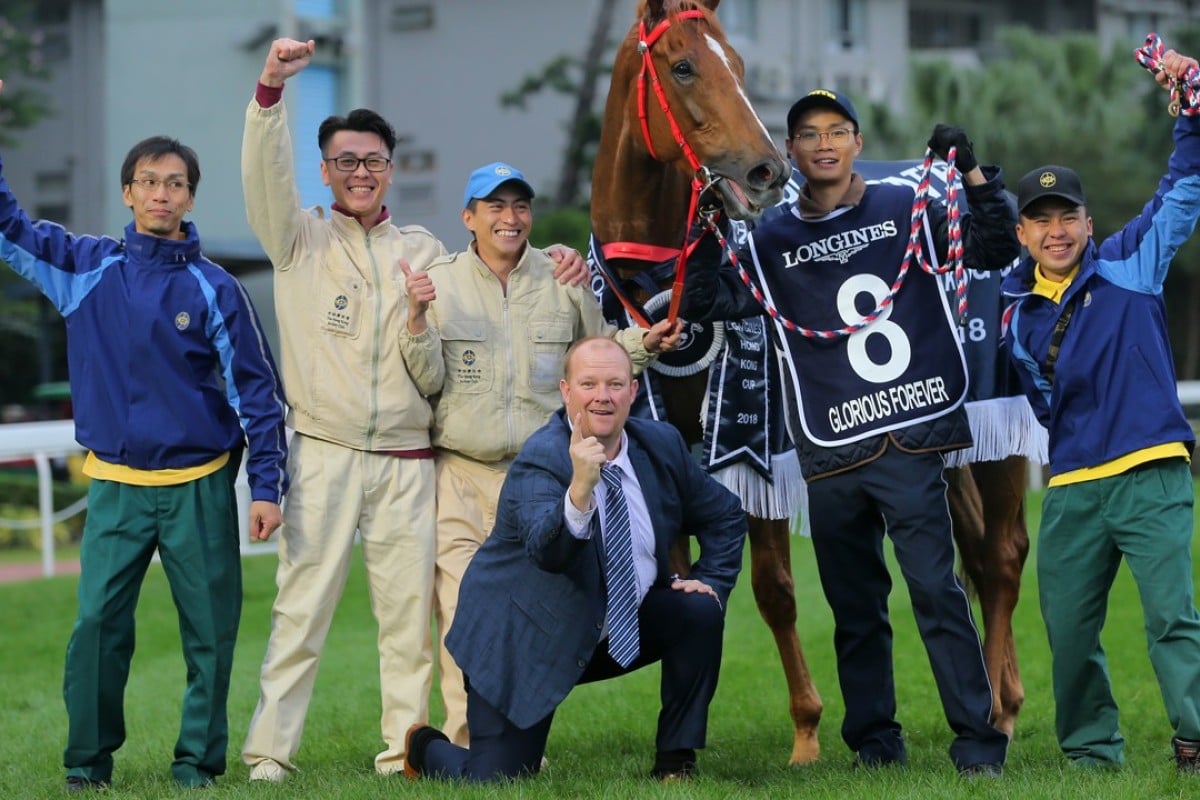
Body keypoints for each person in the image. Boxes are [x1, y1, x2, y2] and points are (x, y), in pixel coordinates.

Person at [239, 38, 589, 781]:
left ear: (389, 169)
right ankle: (271, 752)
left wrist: (562, 264)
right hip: (324, 449)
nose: (360, 173)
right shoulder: (297, 239)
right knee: (301, 612)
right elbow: (262, 178)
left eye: (372, 161)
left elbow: (495, 277)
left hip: (408, 458)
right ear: (325, 169)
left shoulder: (424, 251)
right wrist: (269, 92)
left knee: (409, 627)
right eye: (345, 162)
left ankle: (403, 751)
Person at [684, 88, 1016, 775]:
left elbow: (993, 248)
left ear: (858, 143)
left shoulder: (909, 203)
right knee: (854, 604)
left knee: (933, 589)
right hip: (831, 448)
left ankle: (978, 744)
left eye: (838, 130)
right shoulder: (770, 237)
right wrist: (703, 223)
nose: (825, 143)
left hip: (910, 435)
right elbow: (708, 300)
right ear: (792, 152)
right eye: (809, 134)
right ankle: (874, 743)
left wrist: (975, 174)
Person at [0, 81, 288, 791]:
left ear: (191, 198)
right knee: (96, 629)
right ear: (127, 193)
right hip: (117, 489)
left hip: (199, 488)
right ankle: (87, 763)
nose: (162, 194)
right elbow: (6, 224)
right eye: (149, 182)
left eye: (176, 184)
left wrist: (270, 487)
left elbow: (260, 395)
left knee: (210, 638)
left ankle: (197, 765)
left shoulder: (218, 289)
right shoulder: (83, 268)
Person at [400, 161, 682, 746]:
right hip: (462, 474)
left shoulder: (564, 278)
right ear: (468, 218)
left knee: (535, 614)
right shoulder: (440, 281)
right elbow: (426, 380)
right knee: (462, 612)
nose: (510, 217)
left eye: (520, 205)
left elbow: (599, 355)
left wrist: (644, 345)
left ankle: (516, 739)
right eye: (495, 207)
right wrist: (418, 317)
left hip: (544, 478)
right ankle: (468, 742)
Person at [399, 336, 745, 782]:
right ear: (566, 392)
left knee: (699, 609)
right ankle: (424, 747)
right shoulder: (541, 458)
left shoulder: (660, 444)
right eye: (589, 384)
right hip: (523, 640)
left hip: (610, 623)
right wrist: (581, 488)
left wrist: (711, 580)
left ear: (633, 391)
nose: (603, 396)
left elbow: (726, 515)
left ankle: (676, 762)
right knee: (497, 781)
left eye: (615, 384)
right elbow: (549, 552)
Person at [1001, 47, 1200, 772]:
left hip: (1151, 471)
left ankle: (1195, 737)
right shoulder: (1013, 315)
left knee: (1171, 619)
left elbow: (1187, 185)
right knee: (1068, 628)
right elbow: (1039, 401)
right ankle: (1091, 755)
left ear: (1087, 222)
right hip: (1075, 486)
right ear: (1022, 233)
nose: (1056, 230)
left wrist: (1192, 109)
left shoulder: (1130, 262)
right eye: (1040, 219)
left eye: (1068, 216)